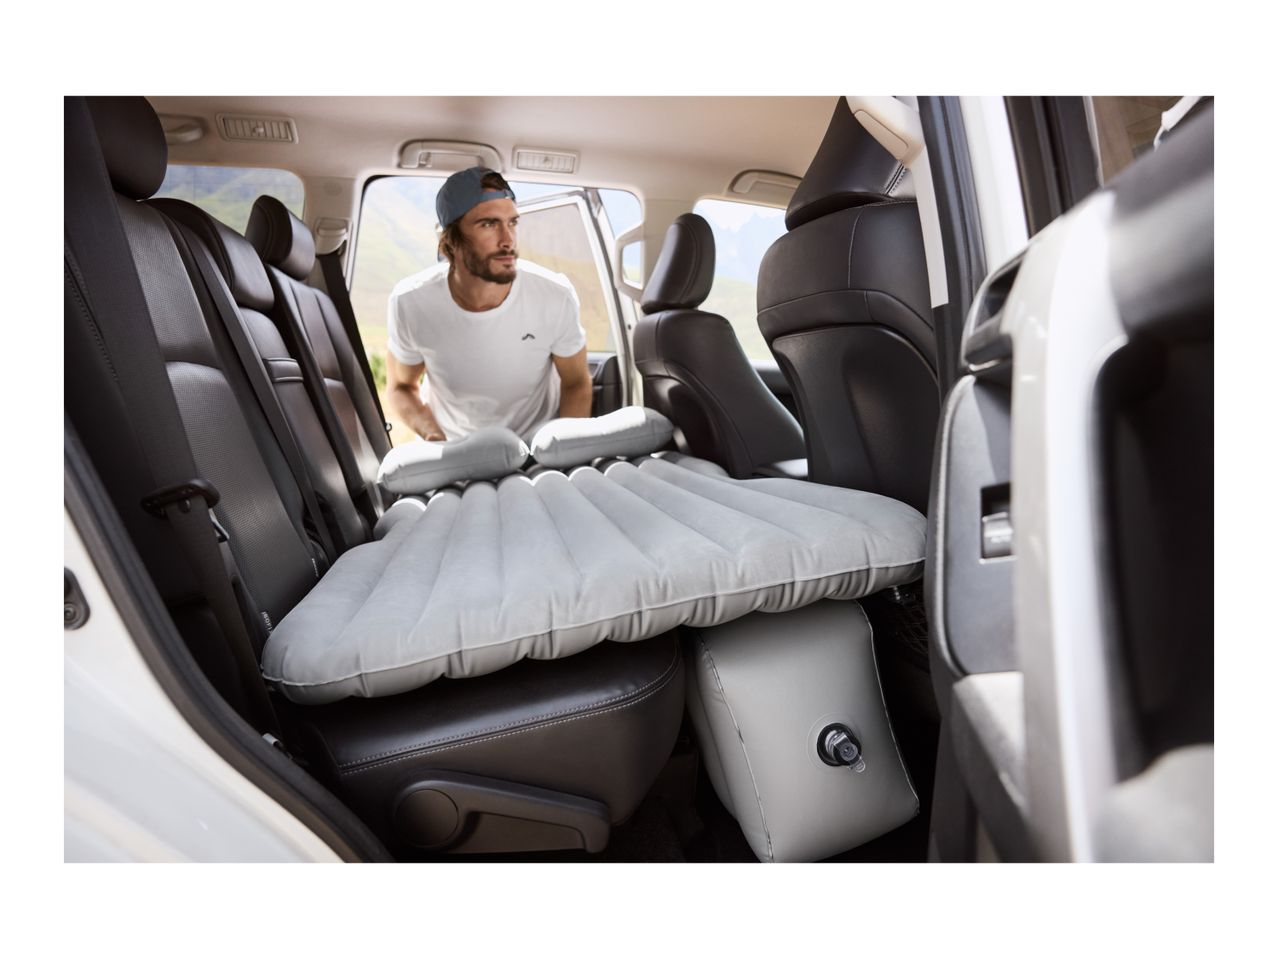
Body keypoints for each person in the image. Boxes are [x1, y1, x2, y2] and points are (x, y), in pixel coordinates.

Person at [385, 166, 592, 442]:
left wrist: (561, 452)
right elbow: (400, 387)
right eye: (489, 224)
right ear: (450, 239)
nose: (508, 240)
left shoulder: (555, 295)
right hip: (456, 452)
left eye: (513, 223)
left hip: (536, 455)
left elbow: (577, 383)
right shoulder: (410, 303)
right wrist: (434, 436)